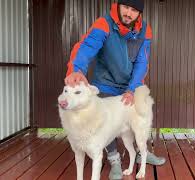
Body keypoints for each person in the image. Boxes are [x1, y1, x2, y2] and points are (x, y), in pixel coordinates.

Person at [64, 0, 165, 179]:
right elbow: (86, 47)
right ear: (117, 5)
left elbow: (142, 61)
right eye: (125, 7)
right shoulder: (104, 23)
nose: (128, 13)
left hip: (129, 86)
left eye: (134, 10)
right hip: (105, 83)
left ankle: (142, 153)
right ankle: (114, 159)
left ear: (139, 13)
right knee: (104, 123)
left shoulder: (145, 30)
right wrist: (76, 70)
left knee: (137, 120)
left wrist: (133, 89)